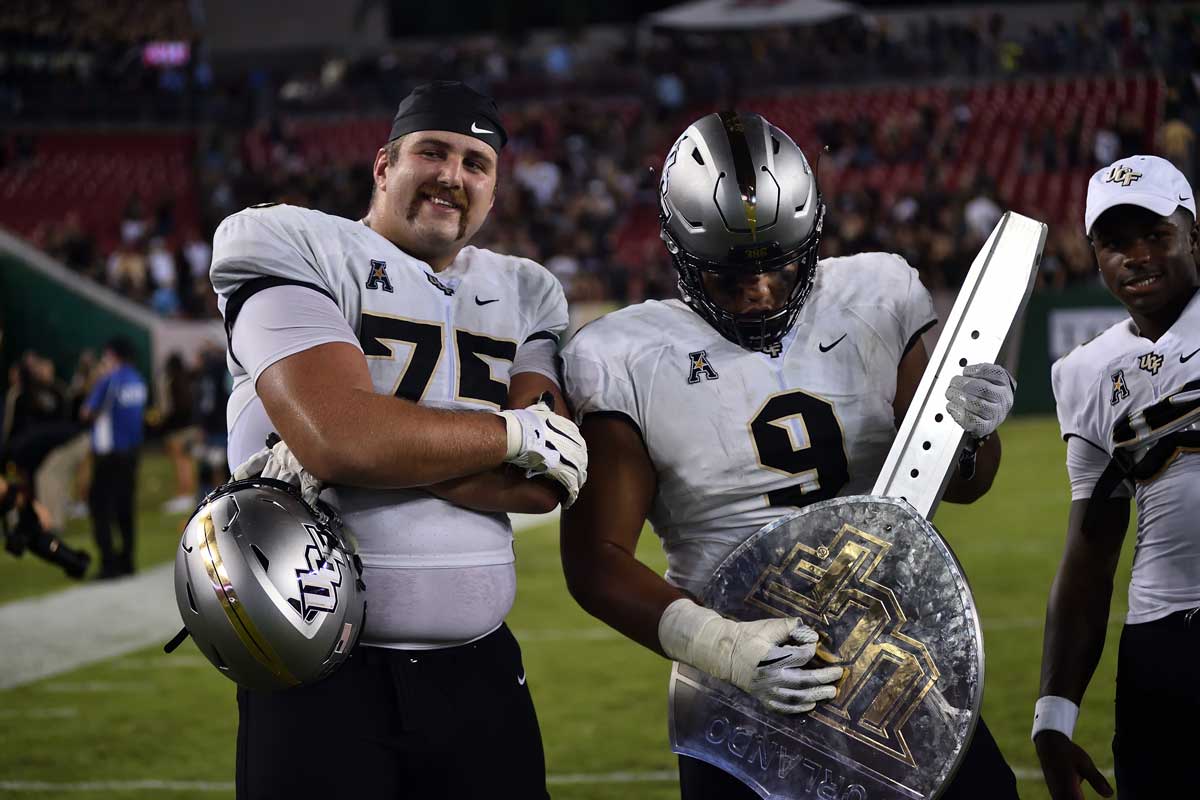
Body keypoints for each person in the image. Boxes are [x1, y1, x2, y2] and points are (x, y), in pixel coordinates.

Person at [559, 111, 1019, 799]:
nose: (762, 289)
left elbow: (964, 482)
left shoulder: (875, 294)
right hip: (743, 703)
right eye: (730, 274)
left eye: (780, 262)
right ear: (679, 253)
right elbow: (596, 563)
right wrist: (723, 647)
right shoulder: (626, 355)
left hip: (901, 669)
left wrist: (972, 434)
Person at [208, 80, 587, 799]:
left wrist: (377, 444)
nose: (453, 176)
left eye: (477, 164)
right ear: (384, 166)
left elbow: (547, 479)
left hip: (480, 674)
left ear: (495, 188)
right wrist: (506, 434)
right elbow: (339, 438)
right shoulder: (295, 242)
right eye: (433, 153)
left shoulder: (526, 290)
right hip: (314, 672)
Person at [1034, 155, 1200, 800]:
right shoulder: (1085, 372)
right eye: (1114, 241)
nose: (1135, 256)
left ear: (1193, 234)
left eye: (1154, 235)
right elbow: (1092, 548)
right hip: (1162, 649)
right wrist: (1054, 713)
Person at [81, 337, 146, 578]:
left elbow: (87, 412)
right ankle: (128, 561)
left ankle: (109, 564)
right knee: (125, 506)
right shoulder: (138, 380)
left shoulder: (109, 380)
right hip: (132, 452)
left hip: (109, 453)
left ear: (111, 354)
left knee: (99, 507)